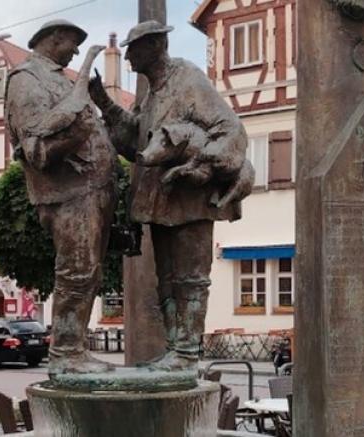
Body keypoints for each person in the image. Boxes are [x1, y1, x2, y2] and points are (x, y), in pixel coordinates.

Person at [90, 21, 251, 371]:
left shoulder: (187, 79)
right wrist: (104, 102)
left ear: (156, 46)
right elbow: (139, 143)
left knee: (191, 280)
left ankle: (187, 353)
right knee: (166, 281)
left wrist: (200, 164)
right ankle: (174, 349)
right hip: (161, 204)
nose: (128, 57)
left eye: (134, 49)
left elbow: (230, 130)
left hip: (191, 201)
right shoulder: (152, 92)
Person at [4, 20, 117, 375]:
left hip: (90, 190)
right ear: (54, 38)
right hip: (67, 193)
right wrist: (78, 135)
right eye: (73, 43)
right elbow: (35, 146)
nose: (76, 52)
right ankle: (66, 353)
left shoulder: (57, 78)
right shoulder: (27, 78)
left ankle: (75, 349)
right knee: (76, 272)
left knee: (89, 273)